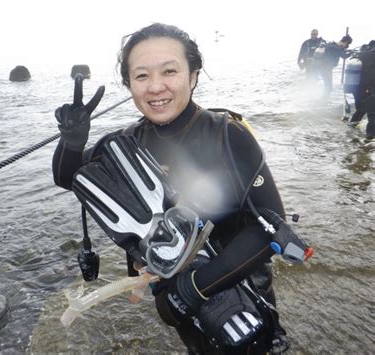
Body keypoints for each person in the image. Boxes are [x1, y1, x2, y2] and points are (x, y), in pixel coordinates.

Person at [52, 23, 293, 354]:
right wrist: (71, 142)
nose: (155, 87)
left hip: (241, 293)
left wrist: (196, 288)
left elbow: (271, 227)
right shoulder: (127, 144)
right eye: (141, 76)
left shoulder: (227, 134)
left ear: (193, 76)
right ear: (129, 84)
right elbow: (71, 178)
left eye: (169, 71)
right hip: (176, 296)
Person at [347, 40, 375, 140]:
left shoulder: (360, 54)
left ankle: (351, 128)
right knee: (372, 113)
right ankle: (370, 137)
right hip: (369, 88)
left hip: (356, 88)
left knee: (361, 109)